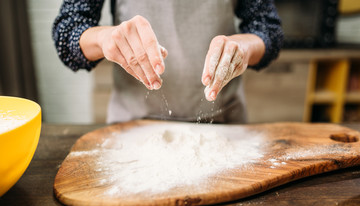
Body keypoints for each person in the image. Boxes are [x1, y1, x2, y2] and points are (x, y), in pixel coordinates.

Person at [52, 0, 283, 123]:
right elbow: (68, 30)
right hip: (133, 126)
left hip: (222, 123)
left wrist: (244, 47)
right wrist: (104, 39)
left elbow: (267, 29)